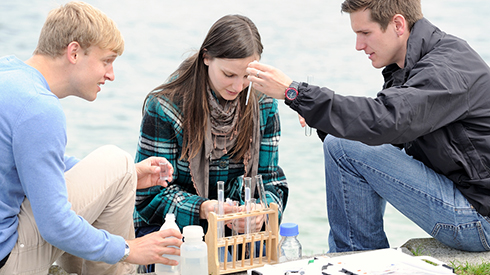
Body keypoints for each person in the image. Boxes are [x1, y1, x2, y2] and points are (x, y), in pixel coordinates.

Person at [246, 0, 490, 253]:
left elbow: (385, 119)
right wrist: (321, 117)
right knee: (338, 143)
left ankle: (356, 257)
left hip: (480, 217)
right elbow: (384, 136)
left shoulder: (445, 69)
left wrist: (294, 93)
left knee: (341, 146)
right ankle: (358, 256)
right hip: (469, 202)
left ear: (397, 24)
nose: (358, 46)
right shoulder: (410, 67)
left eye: (365, 33)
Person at [0, 2, 182, 274]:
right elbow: (55, 225)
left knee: (121, 171)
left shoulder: (9, 75)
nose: (111, 74)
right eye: (106, 61)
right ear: (73, 52)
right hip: (9, 259)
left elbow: (40, 165)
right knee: (116, 161)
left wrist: (130, 175)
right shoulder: (39, 107)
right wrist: (129, 249)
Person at [134, 14, 288, 242]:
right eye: (229, 74)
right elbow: (149, 197)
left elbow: (271, 181)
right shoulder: (165, 107)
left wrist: (260, 212)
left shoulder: (264, 103)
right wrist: (204, 209)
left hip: (236, 232)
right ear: (206, 57)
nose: (238, 86)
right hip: (171, 228)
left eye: (247, 76)